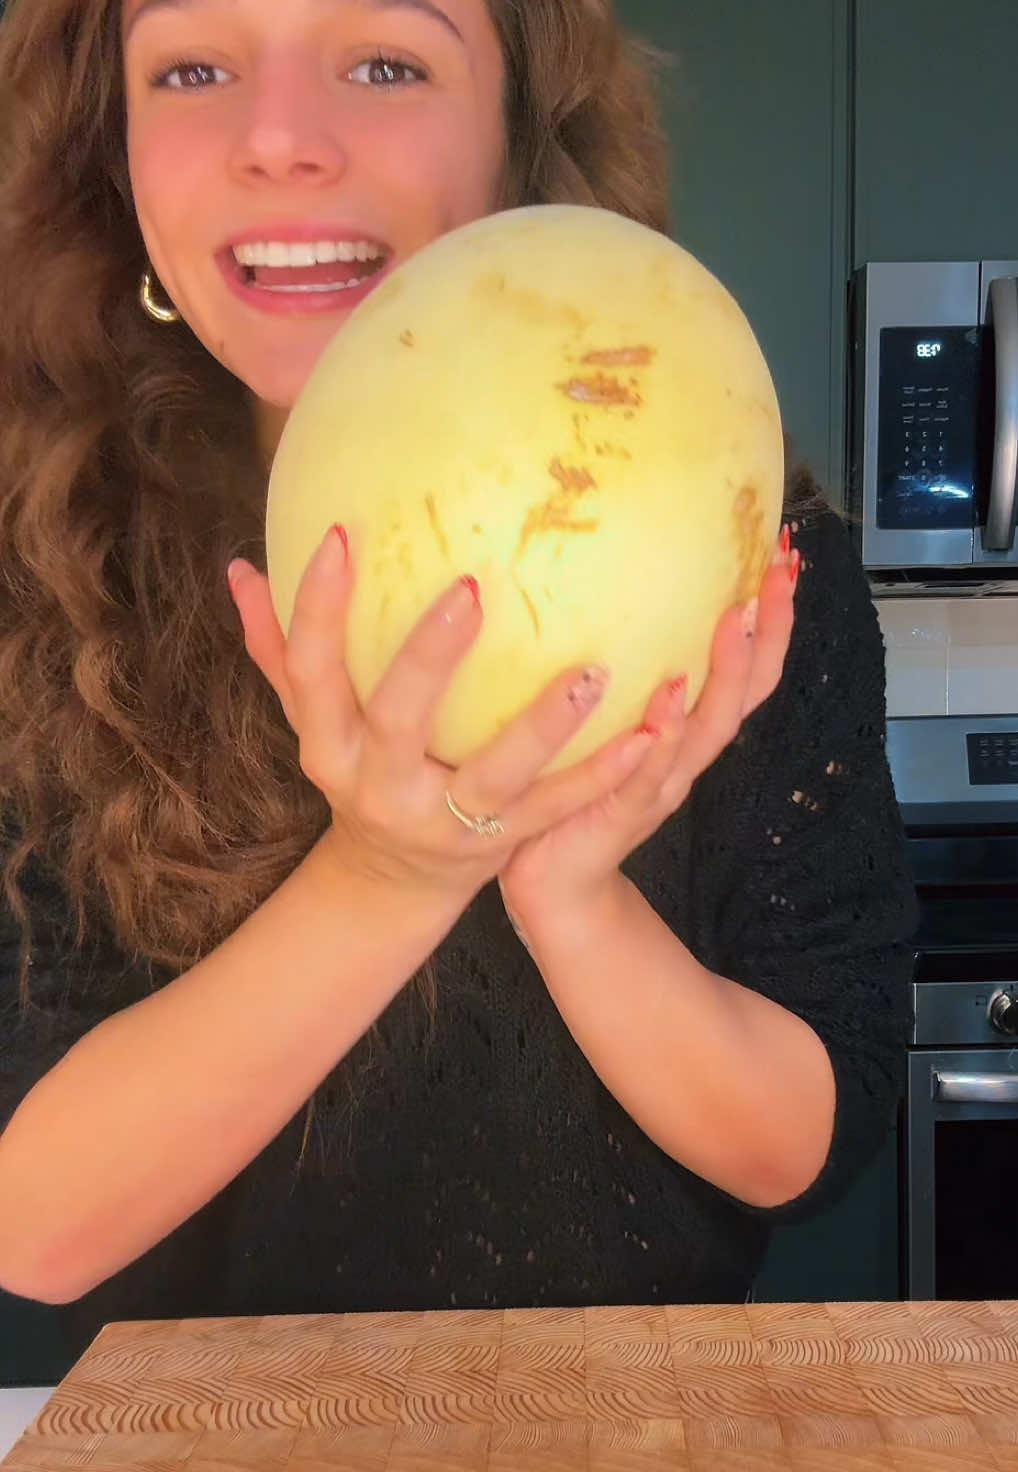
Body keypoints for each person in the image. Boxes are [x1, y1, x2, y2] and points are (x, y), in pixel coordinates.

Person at [0, 0, 917, 1366]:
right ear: (118, 151)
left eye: (385, 60)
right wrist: (389, 874)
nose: (279, 139)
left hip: (624, 1463)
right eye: (191, 65)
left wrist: (572, 900)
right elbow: (34, 1224)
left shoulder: (740, 560)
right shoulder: (40, 572)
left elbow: (800, 1145)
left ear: (517, 140)